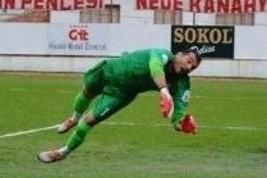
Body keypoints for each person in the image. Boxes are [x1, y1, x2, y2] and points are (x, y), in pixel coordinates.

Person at [38, 47, 201, 163]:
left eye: (192, 67)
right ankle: (73, 119)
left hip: (121, 94)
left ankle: (62, 153)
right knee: (87, 92)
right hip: (109, 70)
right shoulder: (162, 54)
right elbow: (155, 67)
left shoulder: (182, 84)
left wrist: (182, 124)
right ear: (179, 54)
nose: (188, 67)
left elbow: (178, 114)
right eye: (189, 61)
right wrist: (164, 90)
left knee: (87, 122)